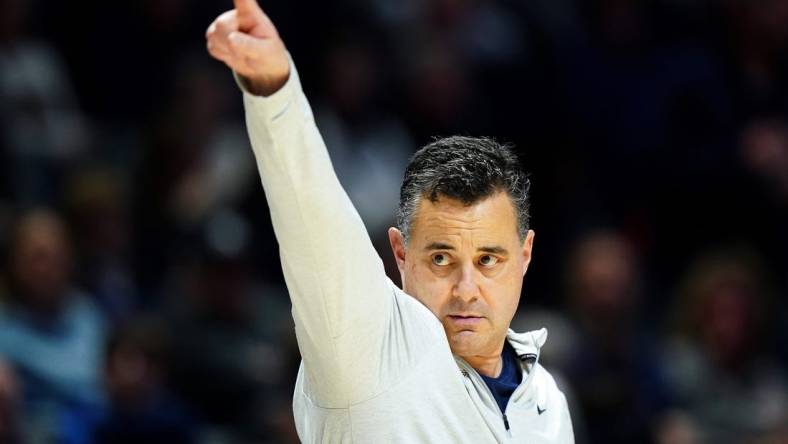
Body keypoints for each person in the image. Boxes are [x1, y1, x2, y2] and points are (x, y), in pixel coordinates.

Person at [205, 1, 574, 442]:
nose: (466, 289)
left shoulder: (547, 399)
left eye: (488, 260)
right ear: (400, 254)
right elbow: (312, 220)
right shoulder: (370, 352)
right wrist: (274, 91)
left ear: (525, 255)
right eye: (440, 258)